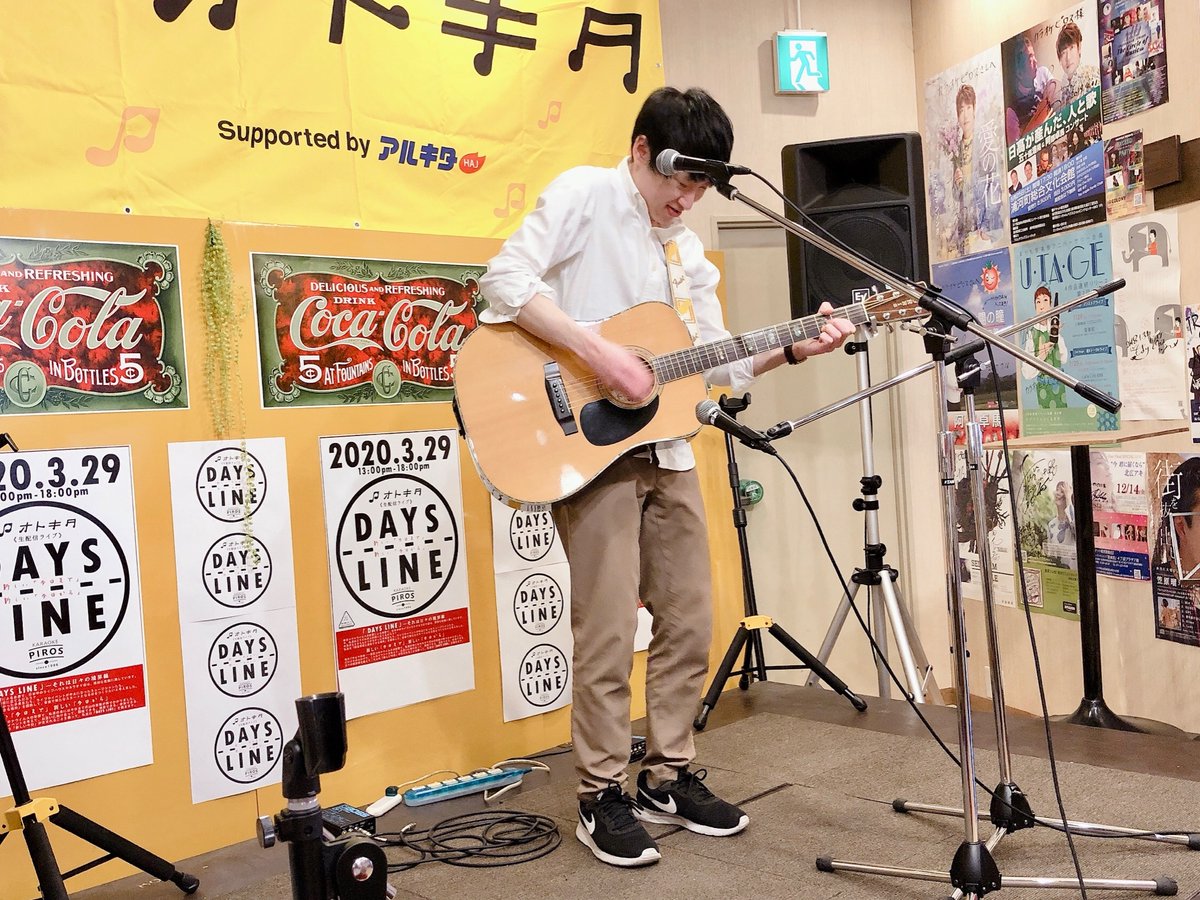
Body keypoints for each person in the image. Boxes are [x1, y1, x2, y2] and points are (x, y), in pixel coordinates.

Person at [477, 86, 854, 868]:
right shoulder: (586, 195)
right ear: (642, 151)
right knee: (608, 630)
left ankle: (668, 773)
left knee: (690, 619)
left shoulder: (687, 253)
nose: (686, 200)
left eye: (701, 187)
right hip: (590, 450)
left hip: (670, 449)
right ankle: (599, 793)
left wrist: (793, 347)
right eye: (678, 181)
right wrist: (599, 354)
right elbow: (504, 280)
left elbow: (717, 360)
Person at [1022, 285, 1069, 408]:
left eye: (1045, 300)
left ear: (1051, 304)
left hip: (1059, 386)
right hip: (1044, 389)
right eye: (1038, 302)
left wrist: (1057, 337)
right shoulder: (1032, 333)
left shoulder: (1054, 328)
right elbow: (1026, 373)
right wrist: (1041, 356)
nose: (1041, 306)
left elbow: (1064, 359)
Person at [1006, 36, 1057, 143]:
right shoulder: (1012, 111)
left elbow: (1056, 88)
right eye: (1030, 58)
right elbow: (1015, 146)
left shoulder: (1042, 73)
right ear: (1019, 73)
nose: (1036, 61)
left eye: (1034, 55)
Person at [1053, 21, 1101, 110]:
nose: (1068, 57)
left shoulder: (1093, 75)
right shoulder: (1063, 91)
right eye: (1063, 52)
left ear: (1079, 48)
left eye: (1071, 48)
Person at [1044, 480, 1077, 569]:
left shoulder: (1072, 521)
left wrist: (1068, 497)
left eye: (1062, 491)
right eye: (1057, 490)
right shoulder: (1051, 524)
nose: (1058, 493)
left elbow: (1075, 527)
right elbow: (1050, 552)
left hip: (1072, 571)